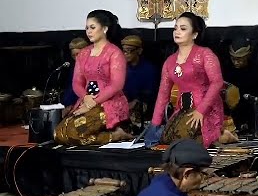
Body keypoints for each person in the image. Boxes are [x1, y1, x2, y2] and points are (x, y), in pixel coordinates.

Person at [150, 12, 236, 147]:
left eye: (183, 29)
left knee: (187, 143)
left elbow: (217, 83)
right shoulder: (170, 61)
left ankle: (224, 135)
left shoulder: (205, 54)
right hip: (183, 108)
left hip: (206, 108)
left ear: (195, 34)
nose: (177, 32)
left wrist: (201, 110)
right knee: (167, 139)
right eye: (175, 28)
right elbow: (163, 94)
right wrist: (154, 124)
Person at [54, 10, 132, 145]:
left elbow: (116, 85)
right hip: (86, 101)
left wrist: (94, 102)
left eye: (92, 27)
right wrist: (85, 98)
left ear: (105, 29)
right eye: (87, 28)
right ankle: (113, 135)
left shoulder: (114, 53)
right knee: (59, 133)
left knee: (75, 132)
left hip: (108, 103)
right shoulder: (83, 54)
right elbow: (77, 82)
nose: (88, 31)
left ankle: (117, 135)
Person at [120, 34, 159, 130]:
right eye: (124, 51)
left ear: (139, 51)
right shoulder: (120, 68)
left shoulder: (149, 69)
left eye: (129, 51)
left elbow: (150, 93)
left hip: (141, 103)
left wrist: (136, 101)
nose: (125, 54)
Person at [61, 37, 89, 116]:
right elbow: (71, 89)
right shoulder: (74, 68)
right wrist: (67, 105)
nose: (77, 59)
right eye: (74, 56)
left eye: (79, 54)